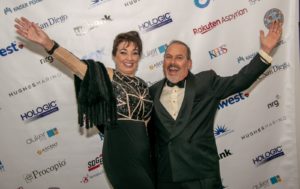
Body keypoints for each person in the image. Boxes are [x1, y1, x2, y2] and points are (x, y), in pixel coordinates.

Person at [15, 17, 154, 189]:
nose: (130, 57)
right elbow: (75, 65)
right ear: (114, 55)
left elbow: (148, 125)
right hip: (120, 151)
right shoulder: (106, 76)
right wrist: (48, 43)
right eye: (123, 52)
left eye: (135, 52)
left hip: (144, 154)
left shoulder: (143, 85)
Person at [149, 20, 283, 189]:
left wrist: (265, 51)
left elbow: (240, 81)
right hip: (167, 178)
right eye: (168, 57)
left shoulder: (205, 82)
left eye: (179, 57)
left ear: (189, 64)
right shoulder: (152, 92)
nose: (173, 62)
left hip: (201, 174)